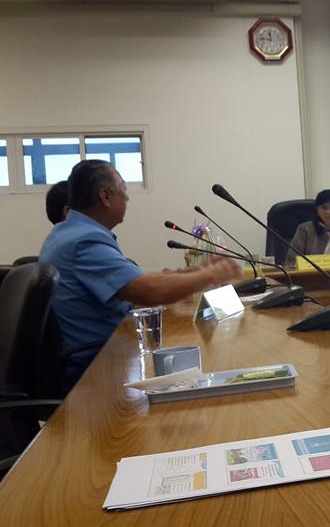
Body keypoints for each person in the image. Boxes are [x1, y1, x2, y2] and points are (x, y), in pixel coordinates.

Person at [40, 160, 242, 390]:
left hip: (103, 354)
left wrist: (189, 274)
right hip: (96, 368)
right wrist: (210, 274)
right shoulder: (84, 241)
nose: (127, 197)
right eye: (123, 189)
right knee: (207, 367)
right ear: (105, 197)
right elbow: (148, 291)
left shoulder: (68, 233)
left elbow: (130, 285)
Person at [287, 189, 330, 264]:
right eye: (324, 207)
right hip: (311, 271)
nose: (328, 212)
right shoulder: (305, 229)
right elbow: (292, 260)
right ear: (317, 211)